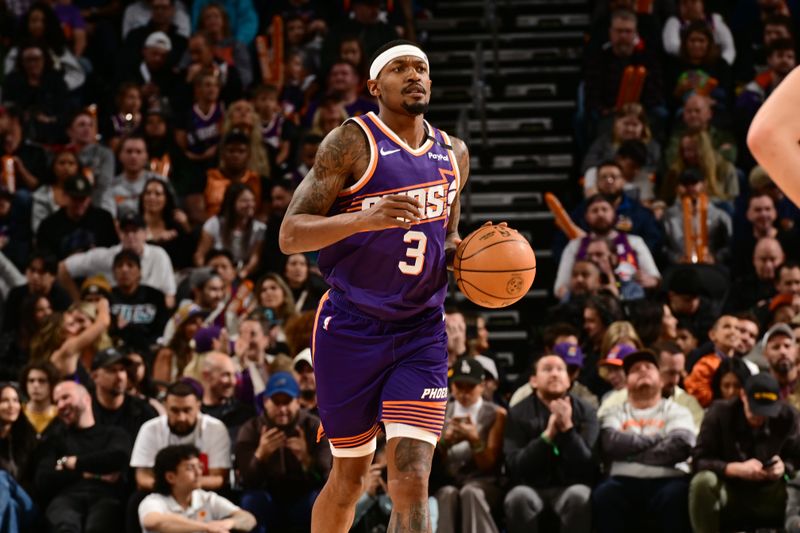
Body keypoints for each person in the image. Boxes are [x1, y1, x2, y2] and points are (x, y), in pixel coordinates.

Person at [278, 39, 471, 532]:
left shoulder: (454, 153)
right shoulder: (350, 143)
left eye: (422, 68)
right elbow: (290, 234)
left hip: (421, 331)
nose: (415, 76)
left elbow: (446, 233)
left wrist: (460, 257)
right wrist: (363, 220)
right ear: (373, 86)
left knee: (412, 476)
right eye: (401, 68)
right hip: (350, 327)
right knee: (351, 476)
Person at [592, 350, 697, 533]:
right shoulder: (614, 412)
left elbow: (680, 447)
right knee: (604, 495)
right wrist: (659, 437)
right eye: (635, 369)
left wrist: (630, 456)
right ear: (626, 382)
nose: (642, 371)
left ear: (661, 379)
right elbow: (611, 444)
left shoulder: (678, 411)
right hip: (621, 482)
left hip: (669, 480)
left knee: (677, 496)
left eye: (649, 367)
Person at [690, 373, 800, 532]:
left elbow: (797, 457)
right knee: (703, 481)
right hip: (732, 491)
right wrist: (733, 469)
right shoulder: (720, 413)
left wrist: (784, 467)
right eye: (755, 410)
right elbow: (698, 460)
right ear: (743, 396)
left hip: (771, 492)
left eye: (766, 412)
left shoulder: (788, 416)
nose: (760, 417)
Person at [503, 354, 597, 533]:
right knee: (518, 497)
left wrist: (568, 428)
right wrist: (548, 436)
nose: (554, 374)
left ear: (569, 380)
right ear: (533, 381)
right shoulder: (517, 413)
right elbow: (514, 465)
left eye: (560, 369)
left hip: (570, 486)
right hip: (531, 487)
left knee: (579, 495)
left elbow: (588, 466)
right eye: (547, 369)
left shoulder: (587, 412)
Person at [235, 372, 332, 533]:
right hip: (268, 495)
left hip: (304, 493)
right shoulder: (250, 429)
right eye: (276, 402)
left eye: (287, 402)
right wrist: (260, 455)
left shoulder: (314, 426)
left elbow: (326, 477)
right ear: (266, 402)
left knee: (318, 500)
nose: (282, 409)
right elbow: (246, 480)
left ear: (297, 401)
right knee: (251, 501)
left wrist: (306, 460)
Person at [35, 381, 131, 533]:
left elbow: (118, 458)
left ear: (86, 398)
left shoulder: (114, 434)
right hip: (65, 499)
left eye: (65, 397)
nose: (60, 405)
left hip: (107, 499)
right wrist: (91, 472)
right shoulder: (54, 440)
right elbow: (43, 480)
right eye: (56, 401)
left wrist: (72, 463)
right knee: (65, 526)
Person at [435, 357, 506, 533]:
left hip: (484, 482)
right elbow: (432, 464)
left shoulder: (496, 414)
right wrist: (445, 442)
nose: (464, 393)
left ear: (482, 386)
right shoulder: (440, 412)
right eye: (460, 386)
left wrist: (474, 440)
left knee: (471, 492)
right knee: (446, 494)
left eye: (470, 387)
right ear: (451, 386)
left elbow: (489, 465)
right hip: (449, 480)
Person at [57, 210, 177, 307]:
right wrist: (78, 302)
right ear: (119, 233)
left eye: (135, 231)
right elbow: (63, 268)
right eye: (126, 231)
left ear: (145, 233)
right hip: (113, 316)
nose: (130, 236)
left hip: (149, 316)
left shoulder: (159, 256)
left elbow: (170, 296)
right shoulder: (105, 256)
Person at [130, 381, 231, 492]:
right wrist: (176, 488)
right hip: (161, 493)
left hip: (203, 493)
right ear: (165, 406)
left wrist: (183, 485)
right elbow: (142, 477)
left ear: (198, 406)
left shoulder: (215, 428)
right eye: (175, 410)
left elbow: (219, 479)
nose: (181, 418)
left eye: (187, 410)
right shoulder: (150, 429)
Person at [138, 444, 256, 533]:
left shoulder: (207, 498)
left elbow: (249, 519)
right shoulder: (153, 501)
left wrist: (227, 523)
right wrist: (206, 527)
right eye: (190, 468)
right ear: (170, 477)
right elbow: (153, 522)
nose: (199, 473)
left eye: (199, 466)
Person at [35, 174, 119, 260]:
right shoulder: (49, 225)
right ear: (65, 196)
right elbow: (44, 258)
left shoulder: (103, 219)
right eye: (75, 198)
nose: (79, 204)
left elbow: (114, 250)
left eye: (83, 199)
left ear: (89, 198)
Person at [90, 347, 158, 444]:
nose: (120, 377)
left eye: (122, 370)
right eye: (112, 370)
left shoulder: (143, 411)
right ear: (94, 376)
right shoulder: (85, 410)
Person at [108, 249, 170, 348]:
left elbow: (163, 330)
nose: (124, 270)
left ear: (139, 272)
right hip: (114, 350)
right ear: (114, 273)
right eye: (119, 266)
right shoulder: (107, 297)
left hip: (149, 348)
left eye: (130, 265)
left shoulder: (155, 296)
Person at [20, 361, 60, 435]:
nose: (35, 385)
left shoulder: (61, 415)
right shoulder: (17, 413)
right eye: (31, 381)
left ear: (52, 384)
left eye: (42, 381)